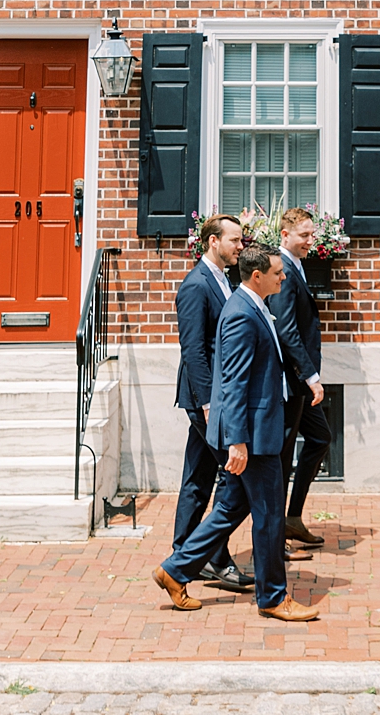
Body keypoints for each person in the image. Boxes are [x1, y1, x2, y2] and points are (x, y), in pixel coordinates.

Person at [155, 245, 320, 622]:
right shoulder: (242, 314)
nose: (283, 277)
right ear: (257, 276)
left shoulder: (255, 306)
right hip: (254, 436)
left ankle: (174, 570)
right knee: (270, 515)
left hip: (260, 429)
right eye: (278, 273)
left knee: (230, 509)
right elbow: (233, 383)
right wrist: (237, 441)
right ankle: (273, 597)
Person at [171, 214, 249, 594]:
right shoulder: (195, 285)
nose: (240, 246)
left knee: (198, 478)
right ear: (212, 241)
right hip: (206, 398)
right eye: (234, 240)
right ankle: (215, 558)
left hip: (213, 396)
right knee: (231, 474)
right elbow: (194, 351)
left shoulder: (223, 278)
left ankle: (183, 552)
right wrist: (205, 404)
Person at [271, 207, 330, 553]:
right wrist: (310, 375)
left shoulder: (297, 267)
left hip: (300, 380)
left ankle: (292, 518)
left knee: (321, 438)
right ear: (285, 235)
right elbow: (285, 328)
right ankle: (274, 535)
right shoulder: (284, 271)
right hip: (292, 380)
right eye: (304, 235)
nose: (311, 241)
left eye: (312, 234)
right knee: (282, 457)